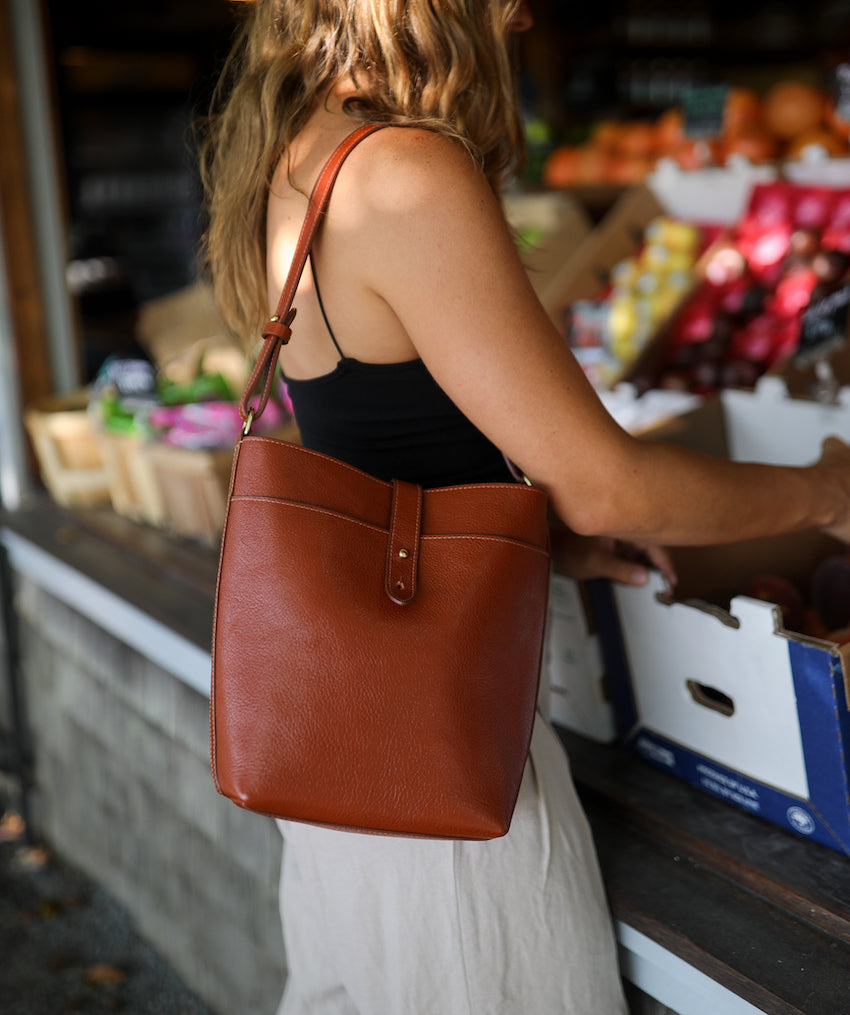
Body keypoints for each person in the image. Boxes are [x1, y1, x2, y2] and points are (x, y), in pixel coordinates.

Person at [200, 2, 850, 1012]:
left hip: (345, 755)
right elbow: (610, 485)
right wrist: (824, 490)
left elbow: (380, 448)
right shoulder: (403, 173)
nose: (520, 13)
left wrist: (531, 535)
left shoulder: (298, 157)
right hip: (444, 783)